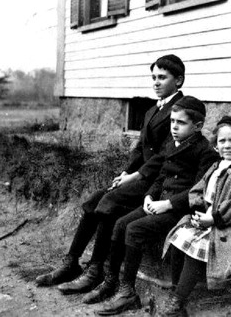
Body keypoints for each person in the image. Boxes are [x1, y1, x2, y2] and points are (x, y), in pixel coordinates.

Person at [35, 55, 186, 293]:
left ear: (179, 80)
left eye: (162, 78)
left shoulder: (180, 110)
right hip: (139, 176)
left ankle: (95, 271)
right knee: (93, 200)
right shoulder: (150, 111)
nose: (156, 83)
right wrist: (126, 171)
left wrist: (135, 177)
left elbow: (166, 154)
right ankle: (71, 262)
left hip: (157, 181)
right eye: (153, 77)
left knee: (109, 202)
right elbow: (140, 149)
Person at [89, 96, 220, 315]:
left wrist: (167, 204)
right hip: (158, 202)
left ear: (197, 126)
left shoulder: (204, 152)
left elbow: (199, 191)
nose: (174, 127)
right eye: (172, 121)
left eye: (181, 123)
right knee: (121, 224)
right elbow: (160, 177)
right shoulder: (171, 143)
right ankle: (114, 283)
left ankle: (128, 293)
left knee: (134, 228)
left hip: (179, 209)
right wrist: (149, 197)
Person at [154, 116, 231, 317]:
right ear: (216, 144)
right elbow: (200, 189)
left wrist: (213, 219)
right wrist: (199, 208)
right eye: (222, 141)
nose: (227, 146)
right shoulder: (217, 166)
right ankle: (177, 290)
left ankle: (177, 303)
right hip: (208, 215)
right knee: (179, 238)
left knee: (200, 247)